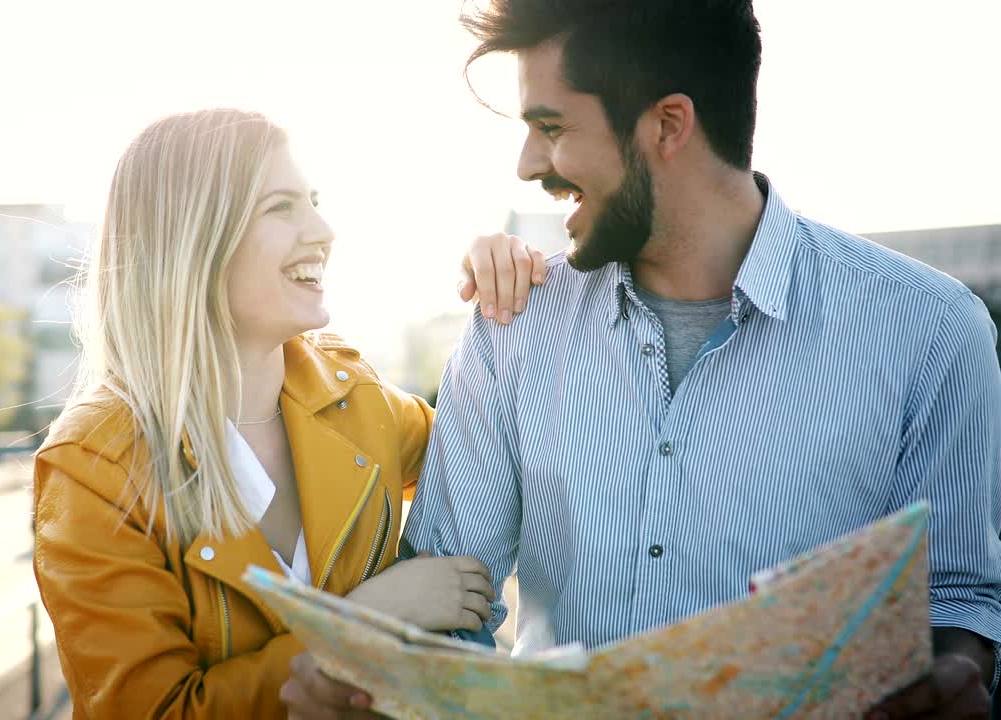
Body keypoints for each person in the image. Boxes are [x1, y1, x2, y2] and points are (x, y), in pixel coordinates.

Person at [280, 2, 1001, 718]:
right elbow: (448, 595)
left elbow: (957, 596)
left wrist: (952, 672)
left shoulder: (931, 331)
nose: (529, 164)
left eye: (551, 127)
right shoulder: (513, 326)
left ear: (668, 125)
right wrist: (370, 680)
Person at [30, 108, 545, 719]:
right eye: (282, 207)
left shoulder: (358, 399)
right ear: (193, 239)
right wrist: (369, 622)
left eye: (315, 201)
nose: (323, 230)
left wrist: (503, 267)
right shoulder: (94, 465)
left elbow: (502, 458)